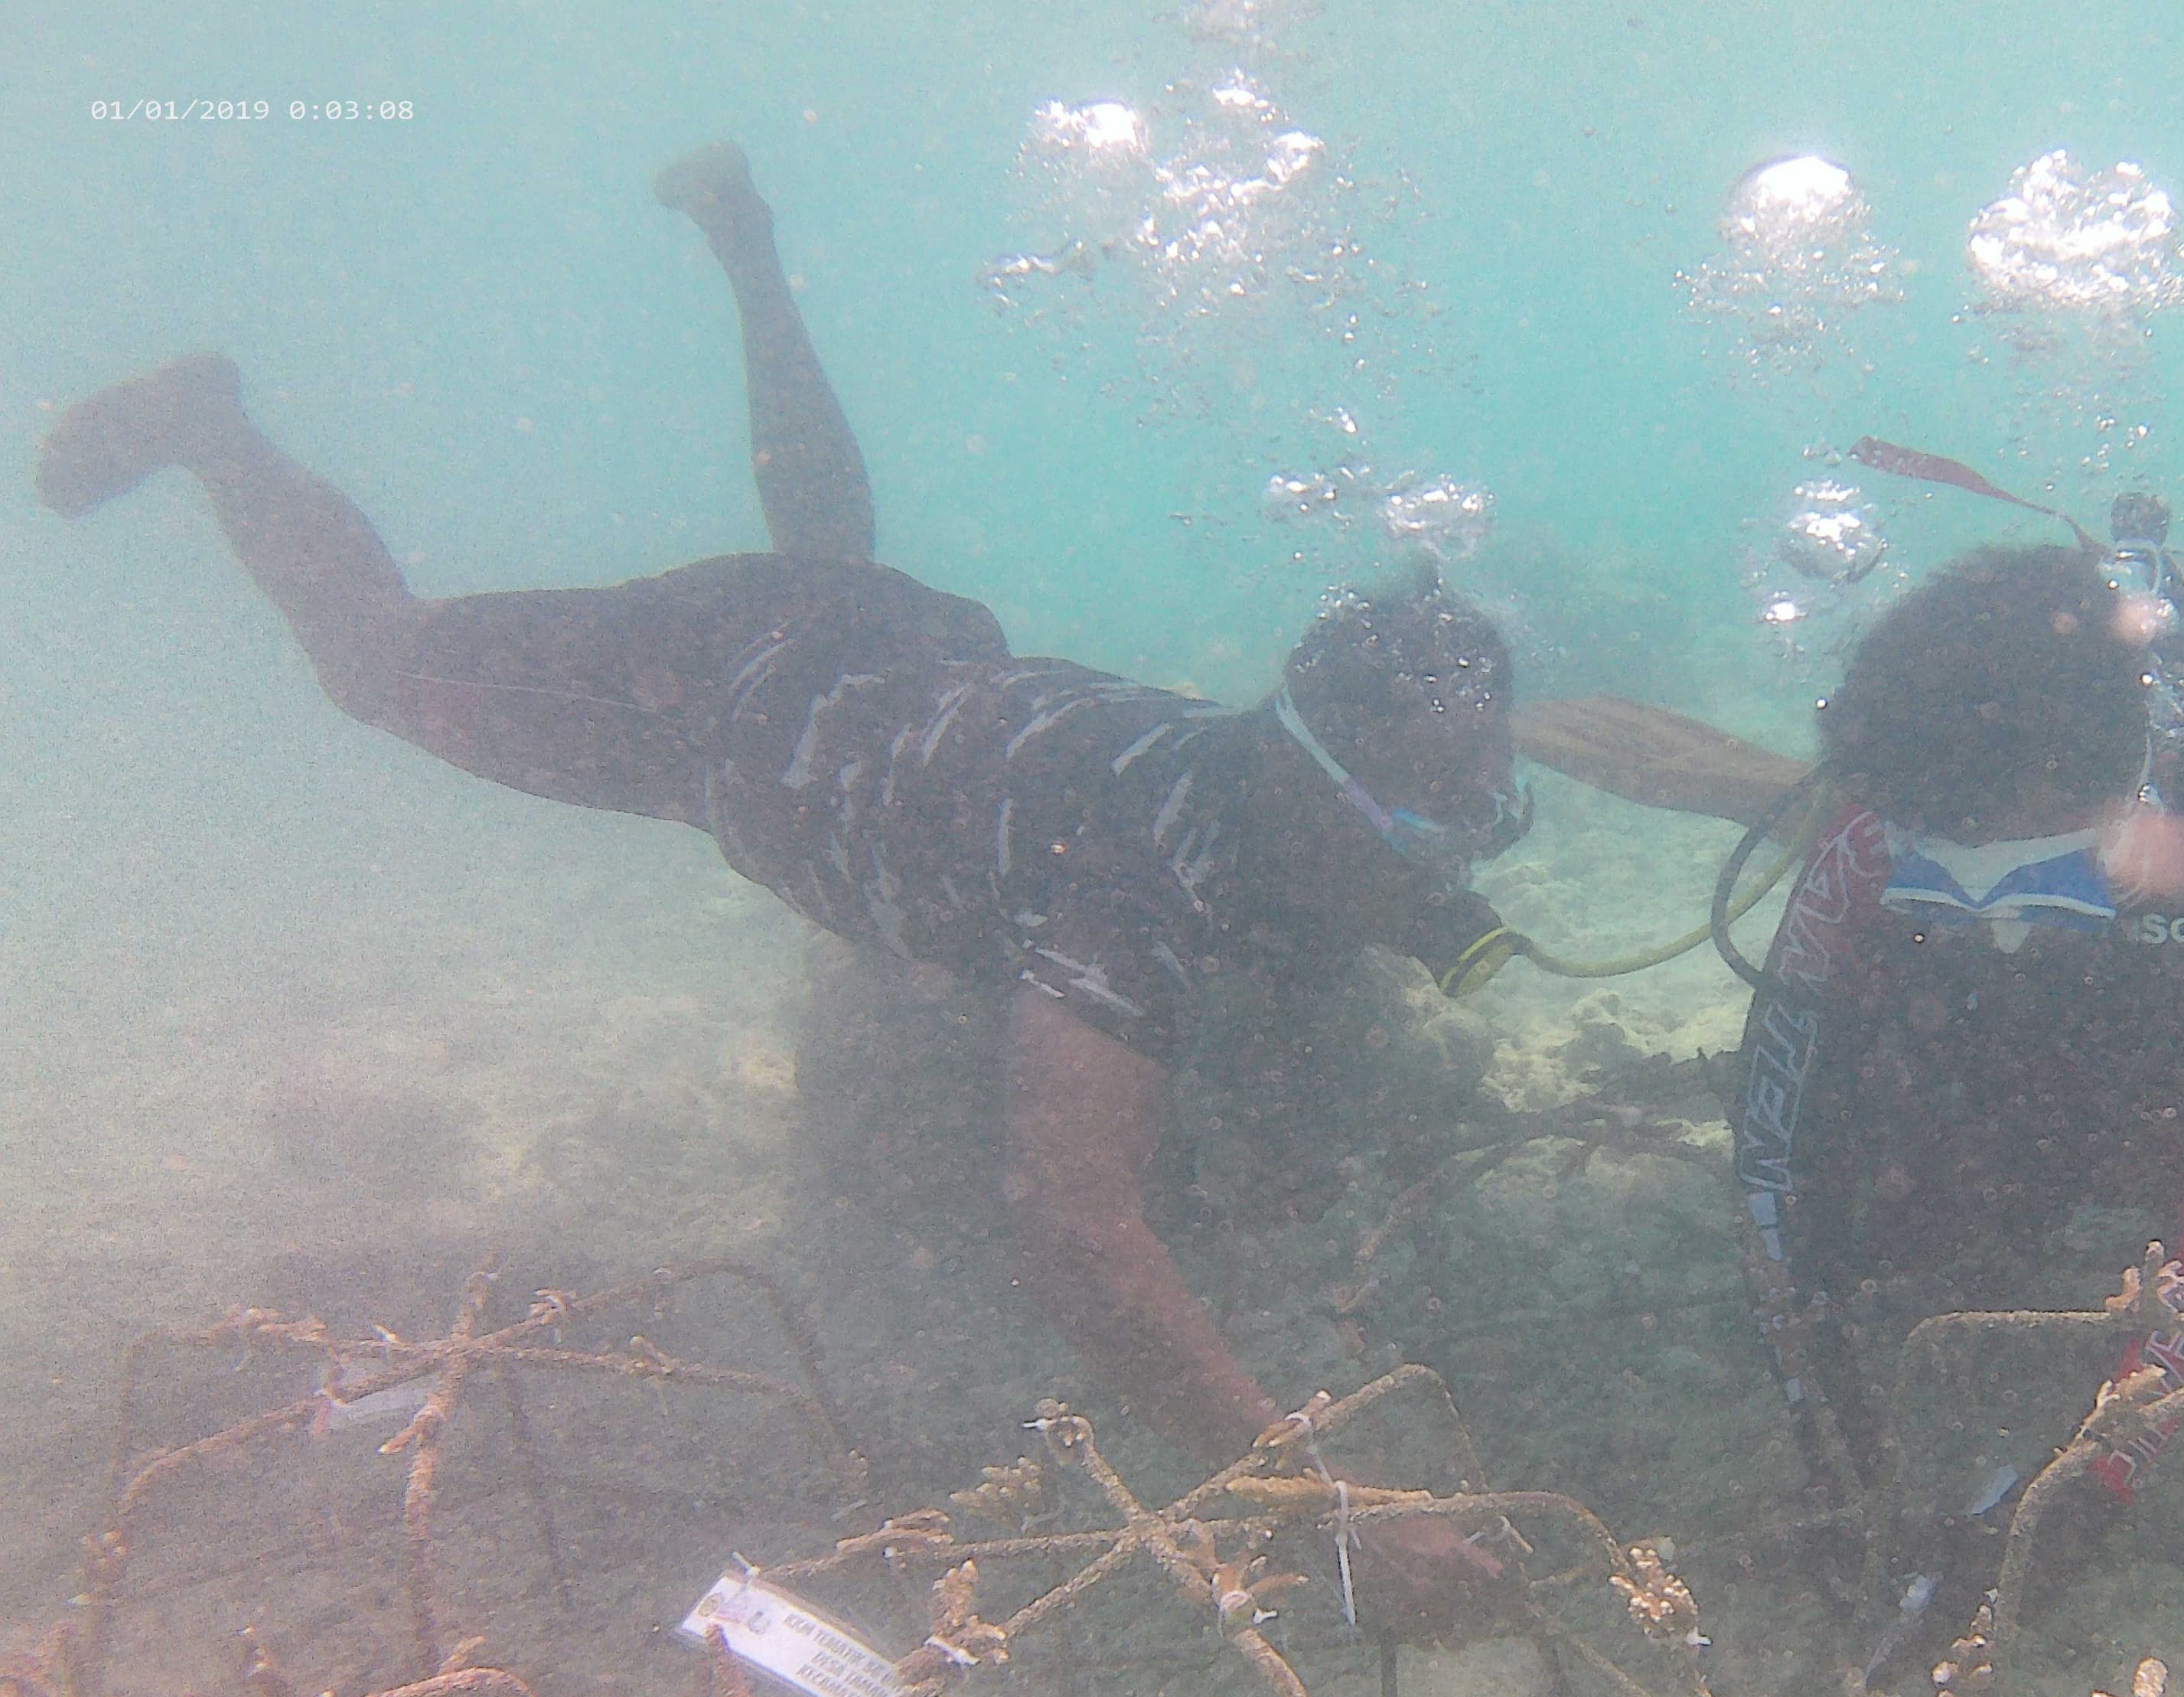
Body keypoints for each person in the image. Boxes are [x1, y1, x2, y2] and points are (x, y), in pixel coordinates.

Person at [34, 143, 1520, 1619]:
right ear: (1321, 788)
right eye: (1421, 832)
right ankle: (210, 428)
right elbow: (1077, 1235)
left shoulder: (1271, 776)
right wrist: (1325, 1512)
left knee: (836, 553)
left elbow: (1377, 832)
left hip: (911, 649)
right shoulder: (1136, 901)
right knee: (381, 665)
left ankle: (745, 243)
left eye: (1478, 811)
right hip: (722, 701)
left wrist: (1458, 887)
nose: (1449, 860)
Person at [1729, 530, 2184, 1584]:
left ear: (2132, 799)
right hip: (1996, 1057)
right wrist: (1827, 1429)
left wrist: (2089, 1491)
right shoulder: (1884, 814)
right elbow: (1772, 1141)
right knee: (1902, 1204)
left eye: (2032, 883)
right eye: (1939, 878)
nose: (1995, 922)